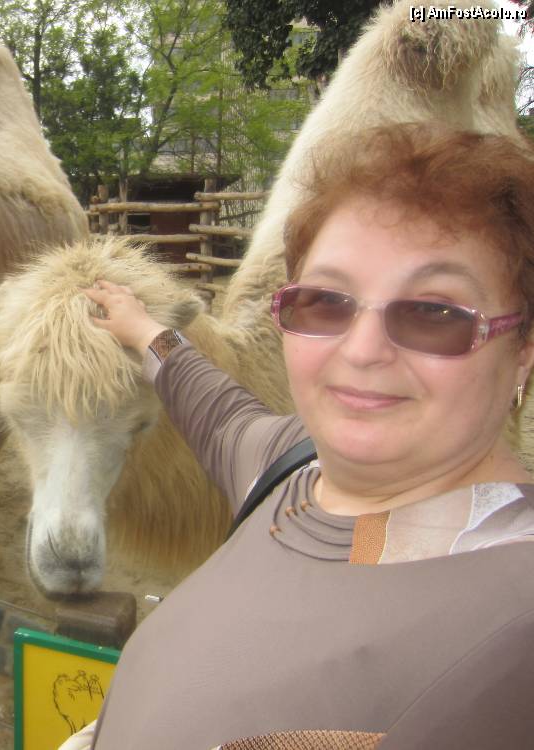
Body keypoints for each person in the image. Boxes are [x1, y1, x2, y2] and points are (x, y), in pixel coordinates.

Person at [73, 123, 534, 749]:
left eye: (434, 313)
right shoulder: (290, 469)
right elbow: (217, 410)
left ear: (523, 349)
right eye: (326, 302)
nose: (362, 350)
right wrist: (141, 328)